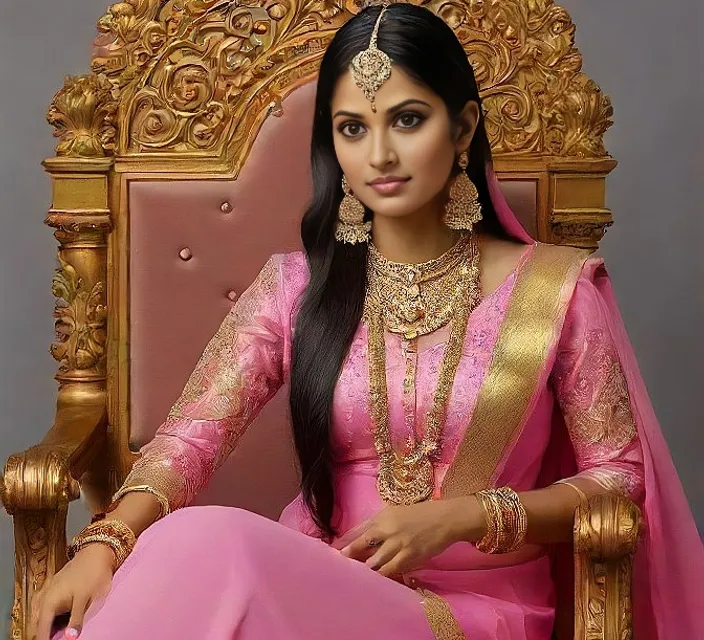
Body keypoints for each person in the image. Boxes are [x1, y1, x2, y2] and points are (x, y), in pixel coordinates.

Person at [30, 3, 703, 639]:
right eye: (354, 128)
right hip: (316, 584)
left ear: (463, 128)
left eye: (407, 120)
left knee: (201, 547)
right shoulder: (296, 288)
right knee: (180, 552)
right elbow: (190, 443)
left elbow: (618, 482)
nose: (379, 155)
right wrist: (104, 544)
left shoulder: (556, 290)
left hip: (473, 613)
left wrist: (466, 517)